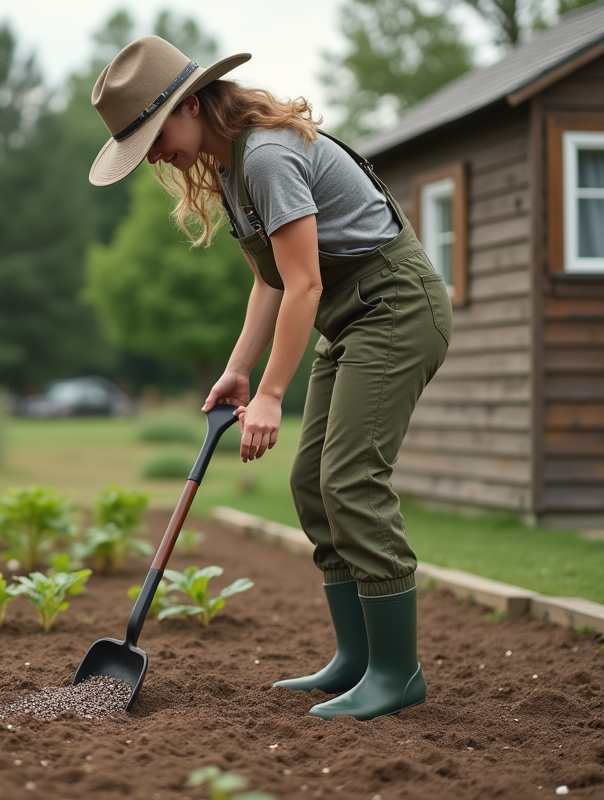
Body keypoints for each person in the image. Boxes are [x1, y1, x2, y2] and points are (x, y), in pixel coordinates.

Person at [89, 36, 451, 721]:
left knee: (351, 480)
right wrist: (237, 372)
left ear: (191, 105)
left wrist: (273, 394)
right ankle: (356, 658)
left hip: (397, 309)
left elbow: (306, 284)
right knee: (312, 482)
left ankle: (397, 673)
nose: (155, 157)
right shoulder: (231, 168)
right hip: (356, 319)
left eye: (154, 136)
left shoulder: (268, 157)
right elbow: (269, 282)